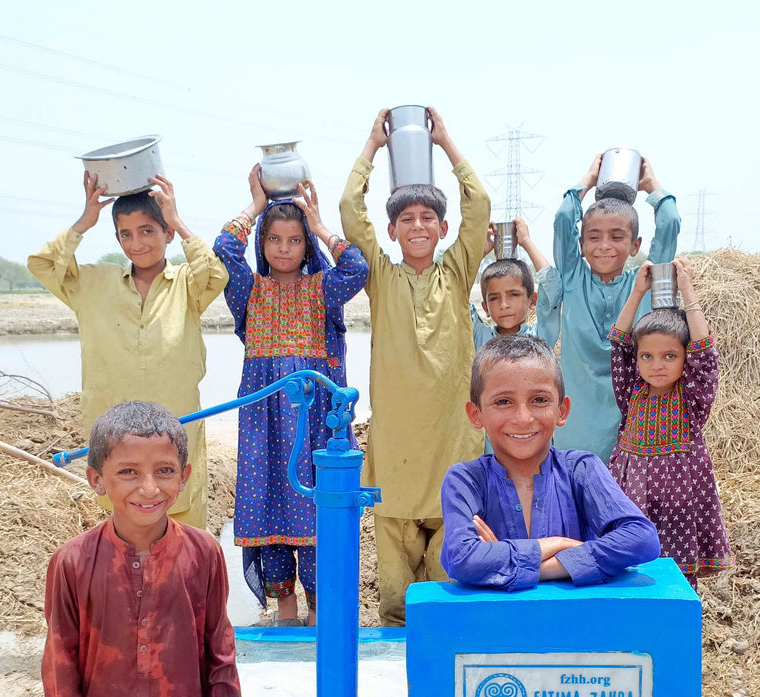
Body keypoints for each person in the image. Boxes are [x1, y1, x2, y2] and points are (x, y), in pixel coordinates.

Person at [41, 401, 242, 697]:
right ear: (96, 479)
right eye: (128, 471)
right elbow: (59, 668)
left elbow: (221, 654)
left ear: (186, 475)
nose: (149, 488)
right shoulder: (71, 562)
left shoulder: (204, 553)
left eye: (164, 471)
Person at [340, 106, 490, 626]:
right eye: (407, 219)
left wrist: (445, 143)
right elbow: (348, 212)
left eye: (428, 218)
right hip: (397, 458)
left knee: (447, 598)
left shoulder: (457, 270)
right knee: (398, 605)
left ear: (444, 227)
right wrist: (371, 147)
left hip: (452, 452)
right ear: (393, 230)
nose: (419, 226)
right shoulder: (379, 276)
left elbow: (481, 205)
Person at [28, 173, 228, 529]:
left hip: (176, 436)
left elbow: (216, 274)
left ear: (166, 233)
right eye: (125, 234)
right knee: (124, 550)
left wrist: (177, 219)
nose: (136, 243)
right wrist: (84, 223)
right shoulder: (92, 283)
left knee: (184, 552)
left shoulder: (188, 284)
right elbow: (42, 265)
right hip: (115, 442)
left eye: (148, 230)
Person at [214, 168, 368, 626]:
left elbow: (356, 267)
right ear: (261, 243)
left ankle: (320, 615)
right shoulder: (249, 291)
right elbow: (224, 249)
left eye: (296, 240)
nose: (284, 248)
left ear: (307, 247)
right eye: (274, 239)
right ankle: (284, 613)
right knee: (270, 504)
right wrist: (254, 207)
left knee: (316, 507)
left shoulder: (323, 289)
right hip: (264, 423)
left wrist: (321, 226)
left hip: (315, 421)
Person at [440, 334, 660, 591]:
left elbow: (641, 540)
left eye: (539, 400)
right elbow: (463, 560)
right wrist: (558, 544)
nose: (523, 418)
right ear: (476, 415)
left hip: (573, 626)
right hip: (495, 627)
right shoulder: (465, 480)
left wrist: (537, 567)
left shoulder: (582, 469)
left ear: (562, 410)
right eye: (503, 402)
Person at [537, 154, 681, 461]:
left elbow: (670, 223)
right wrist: (588, 178)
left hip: (630, 428)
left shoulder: (643, 282)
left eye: (617, 237)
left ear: (635, 245)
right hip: (576, 428)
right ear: (581, 245)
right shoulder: (573, 280)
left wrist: (651, 184)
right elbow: (564, 219)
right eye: (594, 237)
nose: (604, 245)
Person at [608, 259, 733, 588]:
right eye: (646, 356)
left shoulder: (692, 398)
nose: (656, 365)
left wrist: (687, 290)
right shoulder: (632, 389)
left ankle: (675, 632)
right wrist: (638, 293)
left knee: (674, 578)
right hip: (631, 494)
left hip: (679, 503)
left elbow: (705, 354)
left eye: (669, 356)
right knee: (629, 572)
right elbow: (620, 343)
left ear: (684, 357)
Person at [470, 217, 549, 349]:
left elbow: (551, 287)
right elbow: (455, 292)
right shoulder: (480, 337)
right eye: (494, 298)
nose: (504, 305)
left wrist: (527, 242)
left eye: (514, 295)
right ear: (485, 308)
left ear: (533, 300)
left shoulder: (538, 337)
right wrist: (480, 253)